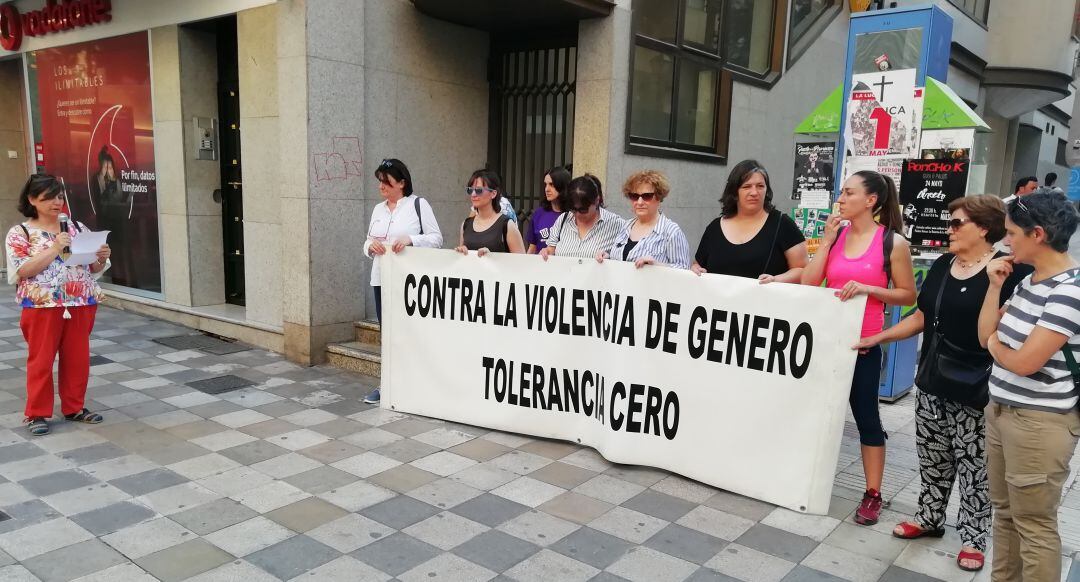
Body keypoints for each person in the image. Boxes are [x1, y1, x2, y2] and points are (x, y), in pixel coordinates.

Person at [854, 195, 1029, 572]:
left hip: (978, 386)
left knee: (975, 464)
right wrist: (879, 337)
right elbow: (921, 315)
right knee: (933, 455)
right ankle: (930, 517)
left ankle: (973, 536)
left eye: (956, 223)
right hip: (933, 379)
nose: (948, 229)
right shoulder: (944, 265)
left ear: (983, 228)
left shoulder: (1008, 274)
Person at [801, 170, 917, 526]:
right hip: (827, 342)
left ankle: (873, 493)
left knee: (867, 417)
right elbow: (809, 281)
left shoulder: (892, 243)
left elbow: (908, 294)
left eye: (849, 193)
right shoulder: (837, 236)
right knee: (815, 413)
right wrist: (826, 239)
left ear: (871, 200)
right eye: (841, 192)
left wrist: (869, 290)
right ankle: (804, 478)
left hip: (863, 344)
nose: (840, 198)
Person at [978, 192, 1080, 582]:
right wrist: (993, 287)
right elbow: (985, 333)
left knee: (1034, 524)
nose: (1005, 242)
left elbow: (1025, 362)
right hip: (1001, 410)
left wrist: (993, 344)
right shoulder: (1029, 282)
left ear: (1037, 234)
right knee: (1005, 515)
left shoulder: (1069, 290)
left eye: (1011, 233)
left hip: (1039, 423)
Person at [6, 174, 112, 436]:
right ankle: (37, 413)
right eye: (49, 197)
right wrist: (54, 248)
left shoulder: (76, 227)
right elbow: (23, 270)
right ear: (32, 200)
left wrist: (101, 257)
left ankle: (74, 407)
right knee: (41, 360)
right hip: (41, 305)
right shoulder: (20, 233)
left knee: (77, 359)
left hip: (80, 301)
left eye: (60, 196)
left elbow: (93, 267)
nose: (57, 202)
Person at [362, 159, 443, 404]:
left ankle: (416, 383)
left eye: (386, 181)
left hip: (409, 282)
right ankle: (386, 384)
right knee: (387, 333)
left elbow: (437, 238)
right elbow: (367, 241)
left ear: (402, 182)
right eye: (380, 181)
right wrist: (370, 246)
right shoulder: (378, 210)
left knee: (411, 332)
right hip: (381, 278)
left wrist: (410, 240)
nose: (381, 186)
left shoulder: (418, 205)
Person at [692, 160, 808, 283]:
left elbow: (803, 270)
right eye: (746, 187)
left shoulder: (782, 224)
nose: (754, 192)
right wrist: (695, 270)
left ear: (767, 190)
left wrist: (776, 279)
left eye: (760, 186)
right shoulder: (714, 228)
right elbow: (697, 265)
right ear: (734, 192)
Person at [595, 170, 690, 269]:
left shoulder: (671, 232)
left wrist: (657, 265)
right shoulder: (626, 226)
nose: (639, 202)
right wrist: (607, 257)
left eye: (647, 196)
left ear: (659, 197)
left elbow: (683, 270)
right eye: (634, 196)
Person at [540, 174, 626, 260]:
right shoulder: (563, 219)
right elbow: (551, 250)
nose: (577, 215)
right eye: (573, 210)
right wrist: (546, 252)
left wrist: (609, 257)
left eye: (583, 210)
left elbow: (625, 258)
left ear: (596, 201)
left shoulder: (616, 224)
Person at [455, 169, 525, 255]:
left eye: (479, 190)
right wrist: (462, 251)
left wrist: (493, 257)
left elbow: (521, 263)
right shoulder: (466, 224)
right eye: (470, 190)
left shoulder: (507, 225)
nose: (473, 194)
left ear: (493, 194)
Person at [527, 166, 569, 255]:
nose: (547, 189)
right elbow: (532, 247)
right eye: (545, 184)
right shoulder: (539, 214)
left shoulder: (573, 215)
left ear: (562, 186)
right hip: (541, 266)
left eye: (551, 184)